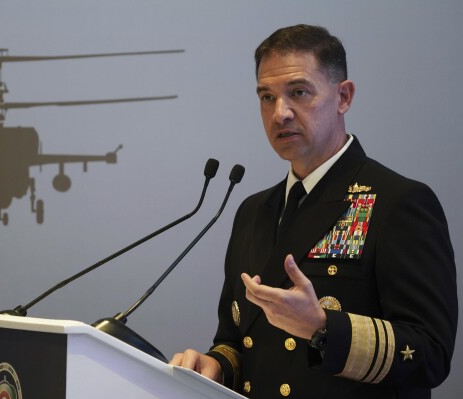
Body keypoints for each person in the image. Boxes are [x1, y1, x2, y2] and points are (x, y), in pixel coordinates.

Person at [170, 24, 458, 399]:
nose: (280, 113)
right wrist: (218, 366)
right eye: (266, 97)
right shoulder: (253, 210)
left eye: (299, 92)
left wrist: (324, 328)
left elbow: (431, 354)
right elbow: (236, 340)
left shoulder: (397, 201)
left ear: (343, 97)